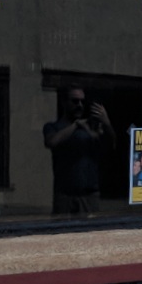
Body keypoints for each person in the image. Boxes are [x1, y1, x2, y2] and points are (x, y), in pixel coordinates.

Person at [42, 86, 115, 214]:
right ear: (64, 102)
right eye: (75, 101)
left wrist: (107, 123)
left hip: (89, 194)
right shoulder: (54, 127)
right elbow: (51, 141)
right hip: (64, 194)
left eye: (82, 101)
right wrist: (76, 125)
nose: (79, 105)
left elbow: (111, 145)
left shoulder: (91, 129)